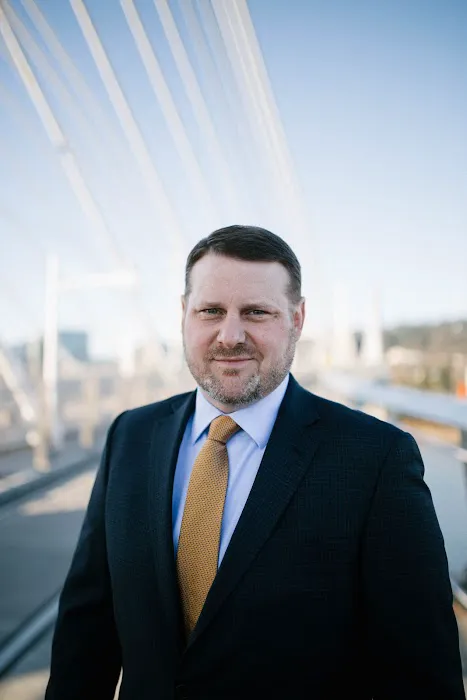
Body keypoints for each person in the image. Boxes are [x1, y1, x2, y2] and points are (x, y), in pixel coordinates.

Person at [45, 225, 464, 700]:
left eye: (256, 312)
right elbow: (86, 630)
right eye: (211, 311)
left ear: (297, 319)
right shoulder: (130, 435)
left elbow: (422, 673)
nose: (230, 336)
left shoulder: (375, 459)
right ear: (183, 314)